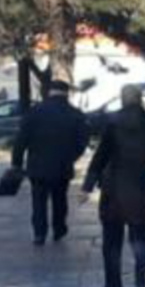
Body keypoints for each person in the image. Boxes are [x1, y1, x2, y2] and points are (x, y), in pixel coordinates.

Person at [82, 84, 145, 287]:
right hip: (141, 189)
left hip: (114, 190)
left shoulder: (112, 124)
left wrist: (87, 185)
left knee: (112, 240)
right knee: (140, 236)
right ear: (140, 99)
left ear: (122, 100)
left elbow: (100, 157)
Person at [11, 80, 88, 247]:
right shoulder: (75, 114)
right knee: (60, 199)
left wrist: (16, 163)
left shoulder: (35, 112)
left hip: (37, 165)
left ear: (49, 92)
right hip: (62, 166)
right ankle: (59, 229)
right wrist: (71, 157)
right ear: (67, 93)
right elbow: (82, 142)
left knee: (38, 200)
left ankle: (40, 233)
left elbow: (20, 140)